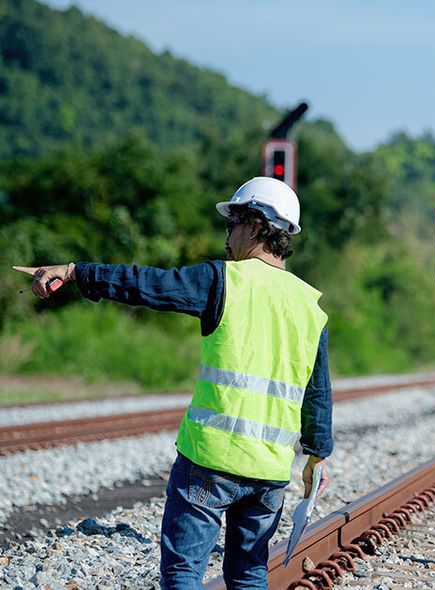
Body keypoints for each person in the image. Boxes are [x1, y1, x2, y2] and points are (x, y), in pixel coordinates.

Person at [14, 177, 333, 589]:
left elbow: (147, 284)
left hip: (209, 462)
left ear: (256, 226)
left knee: (184, 574)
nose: (227, 233)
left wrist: (76, 272)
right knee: (250, 573)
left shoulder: (223, 281)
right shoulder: (311, 305)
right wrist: (317, 455)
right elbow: (318, 392)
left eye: (233, 222)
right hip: (270, 471)